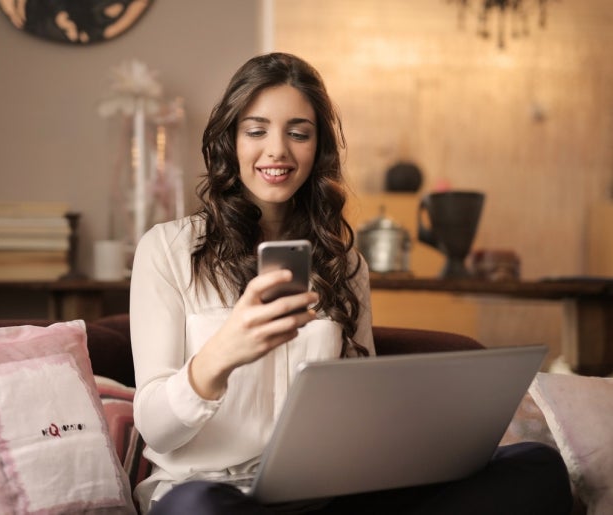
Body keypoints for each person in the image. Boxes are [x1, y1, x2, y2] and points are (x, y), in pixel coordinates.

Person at [129, 52, 572, 515]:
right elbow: (156, 428)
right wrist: (222, 354)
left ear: (317, 148)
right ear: (230, 142)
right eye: (256, 131)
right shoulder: (169, 250)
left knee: (536, 468)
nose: (277, 150)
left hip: (322, 497)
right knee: (199, 510)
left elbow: (360, 409)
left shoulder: (345, 265)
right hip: (211, 493)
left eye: (298, 133)